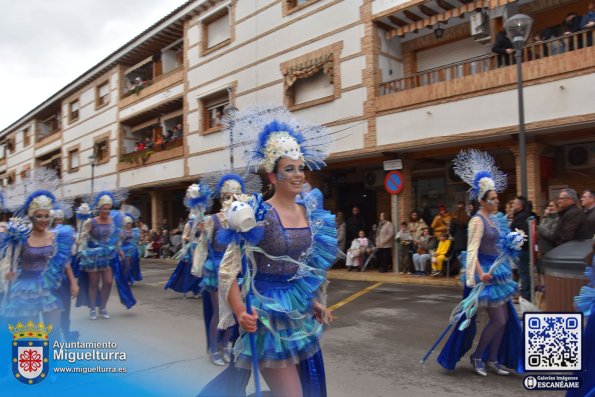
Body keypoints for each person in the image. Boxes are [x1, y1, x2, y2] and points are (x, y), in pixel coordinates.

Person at [198, 105, 335, 397]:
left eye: (301, 168)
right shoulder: (256, 213)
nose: (298, 175)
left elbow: (302, 271)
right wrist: (238, 311)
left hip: (295, 313)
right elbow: (229, 271)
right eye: (289, 169)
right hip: (264, 316)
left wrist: (314, 304)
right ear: (273, 177)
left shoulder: (309, 213)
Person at [437, 149, 522, 376]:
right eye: (492, 199)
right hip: (485, 273)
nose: (497, 201)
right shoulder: (477, 221)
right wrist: (478, 274)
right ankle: (478, 357)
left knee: (504, 322)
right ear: (482, 201)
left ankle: (493, 359)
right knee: (499, 320)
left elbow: (500, 245)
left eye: (497, 198)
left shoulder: (495, 219)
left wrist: (512, 244)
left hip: (498, 271)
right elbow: (472, 249)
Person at [1, 191, 76, 343]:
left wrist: (73, 282)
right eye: (39, 216)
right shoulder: (21, 237)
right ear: (31, 217)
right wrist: (8, 273)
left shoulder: (57, 236)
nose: (44, 220)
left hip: (49, 287)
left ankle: (52, 364)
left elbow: (64, 260)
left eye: (47, 216)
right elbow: (9, 261)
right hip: (26, 288)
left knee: (54, 331)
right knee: (31, 334)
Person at [194, 174, 249, 365]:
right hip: (216, 269)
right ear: (222, 198)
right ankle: (213, 348)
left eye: (235, 196)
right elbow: (202, 245)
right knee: (219, 311)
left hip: (234, 270)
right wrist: (197, 266)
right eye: (227, 196)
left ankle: (225, 346)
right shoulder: (212, 220)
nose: (231, 200)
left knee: (233, 312)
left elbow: (245, 247)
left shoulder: (242, 219)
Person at [77, 191, 136, 319]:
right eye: (104, 209)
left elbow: (114, 237)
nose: (106, 212)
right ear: (99, 208)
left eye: (109, 209)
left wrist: (119, 249)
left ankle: (102, 307)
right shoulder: (91, 222)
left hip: (108, 255)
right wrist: (79, 241)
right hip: (93, 256)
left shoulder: (113, 221)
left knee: (108, 282)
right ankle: (93, 308)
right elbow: (83, 235)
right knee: (93, 283)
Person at [510, 196, 531, 301]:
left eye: (514, 203)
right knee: (521, 272)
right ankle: (523, 293)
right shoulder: (520, 216)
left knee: (523, 273)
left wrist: (516, 244)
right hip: (521, 249)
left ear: (520, 205)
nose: (512, 205)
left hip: (522, 250)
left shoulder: (521, 218)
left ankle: (526, 295)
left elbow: (521, 234)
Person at [119, 205, 142, 285]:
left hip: (131, 249)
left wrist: (137, 242)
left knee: (131, 264)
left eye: (129, 223)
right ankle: (124, 279)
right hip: (124, 249)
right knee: (126, 265)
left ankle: (129, 278)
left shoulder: (135, 231)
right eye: (127, 223)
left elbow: (136, 240)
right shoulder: (121, 231)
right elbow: (119, 241)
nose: (128, 225)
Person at [449, 202, 470, 277]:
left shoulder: (454, 219)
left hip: (457, 242)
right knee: (466, 259)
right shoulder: (467, 218)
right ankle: (465, 274)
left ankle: (461, 274)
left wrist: (454, 235)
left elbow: (451, 230)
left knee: (459, 259)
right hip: (466, 241)